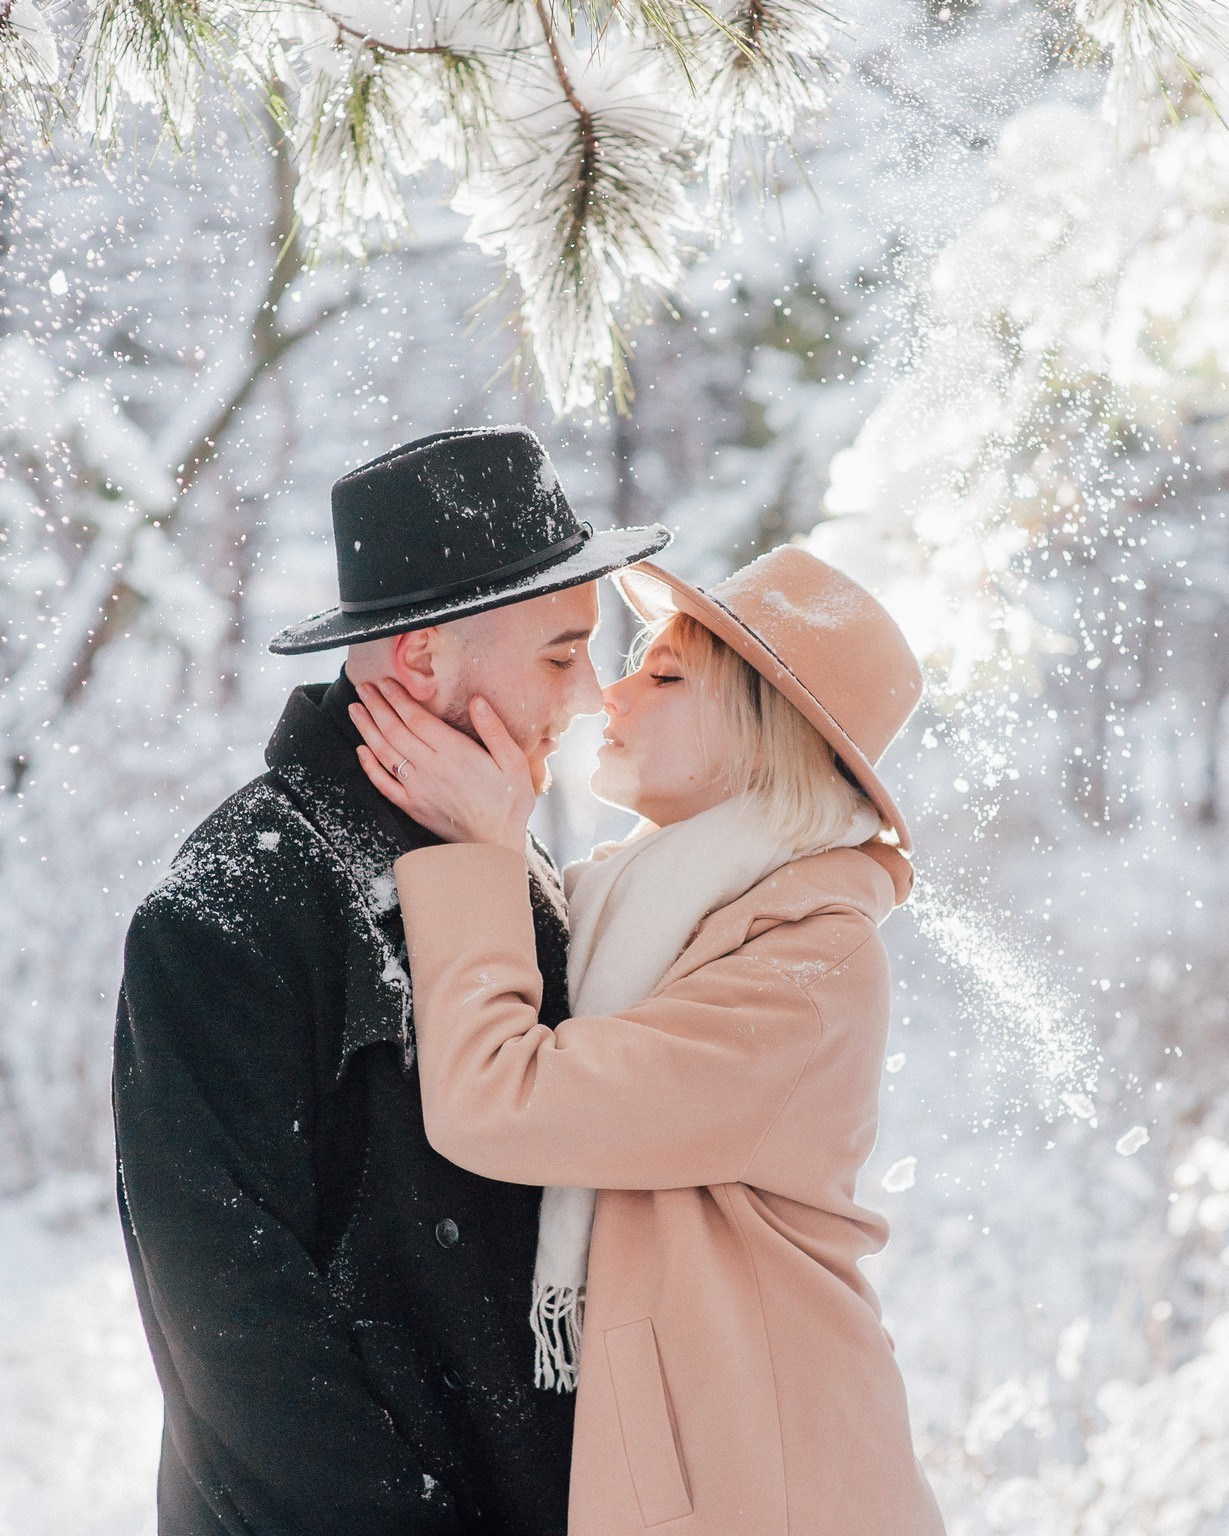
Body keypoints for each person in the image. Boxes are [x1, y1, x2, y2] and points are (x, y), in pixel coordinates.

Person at [112, 425, 669, 1535]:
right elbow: (234, 1329)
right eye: (561, 655)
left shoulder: (507, 859)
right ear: (420, 660)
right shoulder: (228, 906)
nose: (593, 695)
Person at [349, 545, 948, 1535]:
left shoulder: (811, 959)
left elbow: (501, 1099)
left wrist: (481, 850)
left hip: (774, 1483)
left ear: (769, 739)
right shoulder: (638, 906)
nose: (610, 693)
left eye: (664, 675)